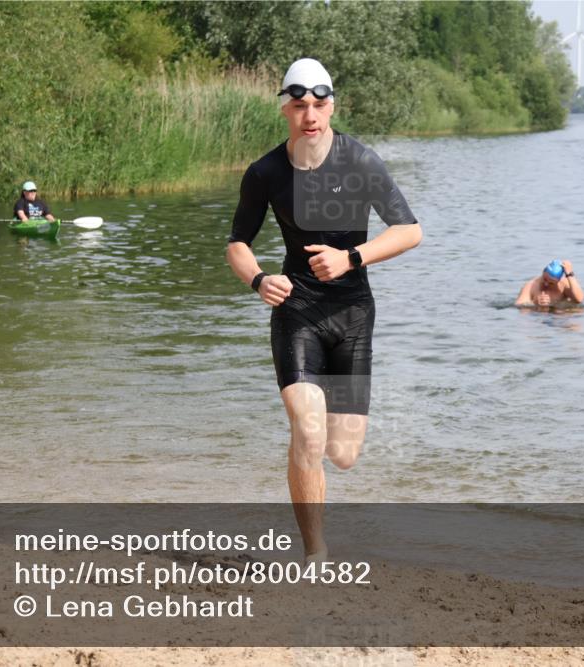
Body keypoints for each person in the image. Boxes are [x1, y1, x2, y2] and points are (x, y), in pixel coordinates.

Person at [226, 58, 422, 561]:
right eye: (298, 106)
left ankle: (311, 464)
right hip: (297, 309)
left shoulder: (360, 161)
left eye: (318, 104)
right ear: (285, 111)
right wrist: (259, 278)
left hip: (353, 313)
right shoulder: (265, 171)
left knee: (343, 454)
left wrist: (352, 256)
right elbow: (237, 244)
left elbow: (409, 231)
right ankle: (315, 550)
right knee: (307, 430)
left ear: (331, 105)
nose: (309, 115)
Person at [515, 259, 584, 307]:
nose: (546, 284)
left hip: (559, 317)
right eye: (544, 279)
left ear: (559, 281)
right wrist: (534, 303)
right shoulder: (531, 286)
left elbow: (579, 300)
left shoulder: (563, 285)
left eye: (551, 283)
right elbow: (518, 306)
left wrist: (569, 274)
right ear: (543, 272)